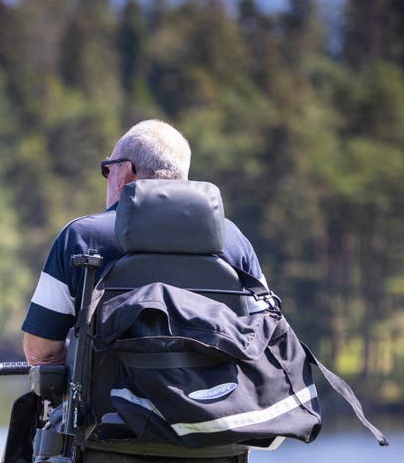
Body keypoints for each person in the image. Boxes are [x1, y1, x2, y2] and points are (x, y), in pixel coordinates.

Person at [21, 119, 266, 365]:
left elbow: (41, 353)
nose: (106, 178)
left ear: (126, 171)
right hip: (223, 401)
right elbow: (264, 334)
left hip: (111, 403)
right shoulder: (234, 239)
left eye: (107, 169)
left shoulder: (81, 238)